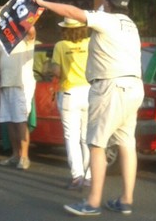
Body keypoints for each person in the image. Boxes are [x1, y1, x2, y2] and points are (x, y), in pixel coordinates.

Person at [34, 0, 144, 216]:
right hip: (133, 86)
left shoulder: (106, 19)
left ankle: (92, 202)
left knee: (96, 145)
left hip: (110, 86)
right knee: (126, 144)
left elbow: (73, 13)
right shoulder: (130, 25)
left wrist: (44, 3)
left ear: (108, 2)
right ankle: (126, 199)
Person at [0, 26, 37, 171]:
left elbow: (31, 30)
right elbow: (3, 57)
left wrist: (19, 19)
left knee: (20, 121)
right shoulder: (4, 43)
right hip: (6, 84)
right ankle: (15, 154)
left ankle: (24, 157)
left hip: (20, 85)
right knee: (9, 121)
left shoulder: (26, 39)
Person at [50, 17, 91, 190]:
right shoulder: (90, 43)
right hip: (89, 91)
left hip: (69, 92)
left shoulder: (60, 46)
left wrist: (49, 67)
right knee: (87, 137)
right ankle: (90, 176)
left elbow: (56, 72)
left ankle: (77, 176)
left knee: (71, 137)